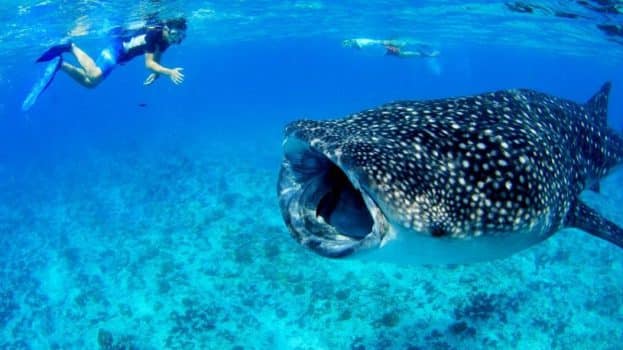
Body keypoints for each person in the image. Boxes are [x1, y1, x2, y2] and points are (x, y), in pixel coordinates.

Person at [36, 17, 187, 88]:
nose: (176, 39)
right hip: (118, 47)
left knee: (90, 84)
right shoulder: (155, 33)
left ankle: (60, 64)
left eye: (180, 36)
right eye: (175, 34)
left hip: (122, 55)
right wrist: (169, 72)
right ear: (166, 28)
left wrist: (157, 72)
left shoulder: (167, 40)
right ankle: (70, 46)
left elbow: (157, 53)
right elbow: (149, 63)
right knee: (94, 75)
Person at [342, 38, 440, 58]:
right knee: (403, 49)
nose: (349, 46)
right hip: (382, 49)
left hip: (383, 48)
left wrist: (387, 45)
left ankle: (428, 54)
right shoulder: (357, 42)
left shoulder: (359, 43)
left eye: (348, 44)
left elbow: (374, 43)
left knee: (402, 53)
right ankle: (424, 49)